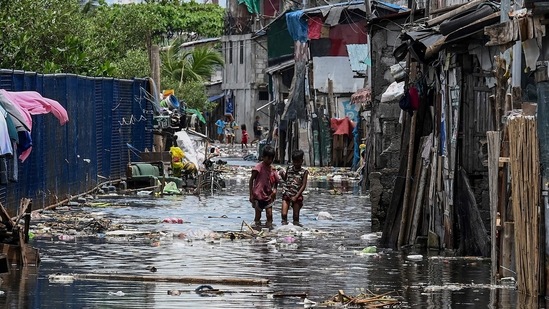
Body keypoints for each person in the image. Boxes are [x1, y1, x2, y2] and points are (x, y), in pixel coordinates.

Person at [249, 145, 279, 227]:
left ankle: (269, 229)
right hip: (258, 195)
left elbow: (276, 181)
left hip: (268, 195)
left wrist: (275, 190)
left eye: (271, 159)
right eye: (268, 158)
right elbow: (251, 180)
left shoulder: (272, 169)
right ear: (263, 157)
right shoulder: (258, 167)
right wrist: (251, 195)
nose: (269, 161)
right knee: (258, 216)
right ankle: (257, 228)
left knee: (269, 215)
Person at [280, 149, 309, 225]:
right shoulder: (289, 169)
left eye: (298, 161)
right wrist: (281, 174)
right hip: (286, 193)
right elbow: (286, 179)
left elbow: (303, 185)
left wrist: (296, 196)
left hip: (297, 195)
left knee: (295, 217)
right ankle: (284, 227)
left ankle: (296, 229)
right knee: (284, 215)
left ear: (302, 161)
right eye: (294, 161)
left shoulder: (304, 172)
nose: (296, 163)